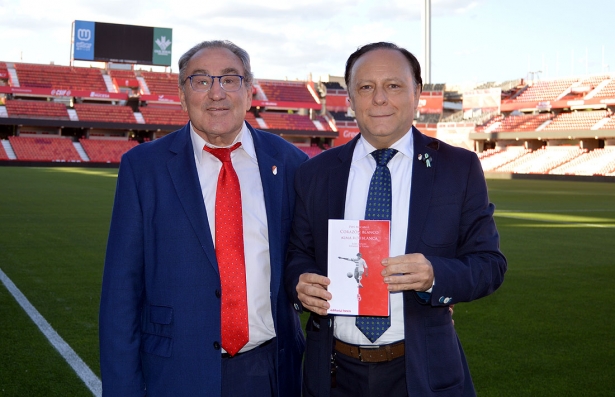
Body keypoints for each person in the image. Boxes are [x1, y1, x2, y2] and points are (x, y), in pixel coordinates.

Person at [284, 42, 507, 397]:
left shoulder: (458, 169)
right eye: (366, 87)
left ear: (417, 92)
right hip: (332, 372)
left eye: (393, 85)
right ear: (350, 99)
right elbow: (298, 252)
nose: (379, 99)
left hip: (423, 371)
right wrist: (300, 282)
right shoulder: (315, 173)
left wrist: (434, 274)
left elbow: (489, 266)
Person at [99, 40, 307, 397]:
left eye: (229, 79)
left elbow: (304, 257)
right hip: (175, 372)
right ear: (182, 95)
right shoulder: (143, 168)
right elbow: (121, 292)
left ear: (249, 90)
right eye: (200, 81)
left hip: (268, 370)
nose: (216, 93)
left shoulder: (291, 164)